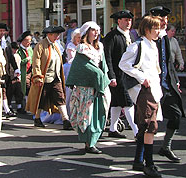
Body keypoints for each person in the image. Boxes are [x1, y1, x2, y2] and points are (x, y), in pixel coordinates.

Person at [119, 15, 163, 177]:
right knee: (149, 126)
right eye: (155, 28)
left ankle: (139, 160)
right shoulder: (138, 46)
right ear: (146, 30)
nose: (158, 31)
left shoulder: (152, 45)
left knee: (145, 127)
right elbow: (123, 64)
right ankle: (149, 164)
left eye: (159, 28)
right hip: (144, 90)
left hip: (153, 90)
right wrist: (141, 78)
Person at [65, 21, 111, 154]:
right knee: (87, 116)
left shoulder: (99, 47)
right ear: (87, 32)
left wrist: (104, 78)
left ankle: (93, 141)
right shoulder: (82, 48)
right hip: (86, 88)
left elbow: (103, 65)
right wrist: (97, 75)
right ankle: (88, 143)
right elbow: (82, 66)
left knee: (99, 113)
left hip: (98, 86)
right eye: (93, 30)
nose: (96, 33)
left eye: (97, 30)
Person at [149, 6, 184, 163]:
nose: (165, 23)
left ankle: (166, 147)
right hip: (152, 85)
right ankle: (142, 154)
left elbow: (169, 62)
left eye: (166, 20)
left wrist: (175, 81)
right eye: (162, 20)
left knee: (176, 115)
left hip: (167, 84)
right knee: (148, 122)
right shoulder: (148, 39)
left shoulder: (165, 38)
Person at [25, 25, 71, 130]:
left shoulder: (56, 46)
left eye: (58, 35)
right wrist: (37, 76)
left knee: (60, 97)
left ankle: (65, 120)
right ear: (49, 35)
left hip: (55, 77)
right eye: (55, 35)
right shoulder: (40, 46)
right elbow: (36, 61)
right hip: (44, 78)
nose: (57, 37)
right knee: (41, 99)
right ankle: (37, 118)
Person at [103, 10, 139, 138]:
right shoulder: (111, 37)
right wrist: (111, 76)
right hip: (118, 76)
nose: (128, 22)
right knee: (127, 102)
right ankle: (136, 131)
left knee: (117, 103)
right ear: (119, 21)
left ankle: (112, 129)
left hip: (130, 75)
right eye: (125, 20)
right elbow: (107, 58)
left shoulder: (132, 36)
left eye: (130, 20)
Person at [0, 23, 17, 118]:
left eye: (3, 31)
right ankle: (6, 109)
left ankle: (6, 107)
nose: (2, 33)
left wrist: (16, 68)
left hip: (6, 70)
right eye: (0, 31)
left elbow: (11, 57)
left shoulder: (6, 43)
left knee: (7, 90)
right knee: (2, 89)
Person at [63, 28, 80, 116]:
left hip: (79, 68)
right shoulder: (71, 46)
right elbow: (71, 59)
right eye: (78, 37)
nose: (79, 39)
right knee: (69, 92)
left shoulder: (82, 45)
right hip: (70, 68)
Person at [17, 31, 33, 99]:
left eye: (30, 41)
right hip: (23, 72)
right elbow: (18, 62)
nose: (29, 43)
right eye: (28, 41)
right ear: (23, 41)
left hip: (31, 71)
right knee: (26, 86)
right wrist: (26, 60)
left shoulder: (30, 49)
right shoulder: (19, 50)